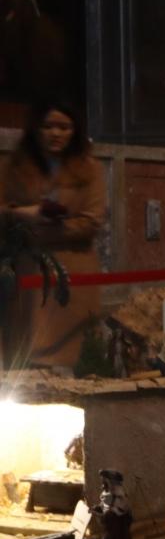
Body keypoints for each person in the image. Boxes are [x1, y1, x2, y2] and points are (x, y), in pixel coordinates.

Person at [0, 102, 106, 368]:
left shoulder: (89, 169)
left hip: (73, 269)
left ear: (75, 130)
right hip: (27, 270)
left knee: (71, 357)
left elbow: (92, 221)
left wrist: (47, 228)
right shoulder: (14, 167)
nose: (55, 133)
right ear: (36, 129)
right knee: (26, 356)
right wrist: (24, 213)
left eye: (64, 127)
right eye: (48, 126)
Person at [95, 468, 136, 539]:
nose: (102, 483)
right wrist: (98, 508)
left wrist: (107, 513)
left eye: (104, 480)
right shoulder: (107, 493)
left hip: (118, 527)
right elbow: (104, 505)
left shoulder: (119, 495)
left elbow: (120, 510)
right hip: (110, 527)